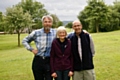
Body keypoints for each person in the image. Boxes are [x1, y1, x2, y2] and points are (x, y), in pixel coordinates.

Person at [22, 15, 56, 80]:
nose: (47, 23)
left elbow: (65, 37)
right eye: (45, 22)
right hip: (38, 60)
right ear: (42, 23)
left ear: (51, 23)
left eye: (49, 22)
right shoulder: (36, 33)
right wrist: (31, 49)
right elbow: (25, 41)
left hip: (50, 61)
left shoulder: (56, 32)